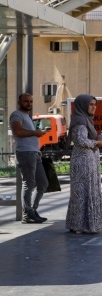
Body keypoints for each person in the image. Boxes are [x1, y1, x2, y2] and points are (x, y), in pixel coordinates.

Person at [65, 94, 102, 234]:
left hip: (88, 159)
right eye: (91, 104)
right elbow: (81, 140)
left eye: (95, 104)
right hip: (83, 161)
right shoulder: (80, 121)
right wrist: (96, 142)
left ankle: (80, 224)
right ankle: (80, 225)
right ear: (83, 105)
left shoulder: (86, 119)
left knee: (85, 191)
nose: (94, 107)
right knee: (83, 192)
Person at [10, 93, 49, 223]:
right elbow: (18, 132)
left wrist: (37, 148)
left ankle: (32, 209)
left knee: (43, 183)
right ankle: (28, 213)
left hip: (34, 153)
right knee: (29, 184)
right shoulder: (17, 114)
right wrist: (35, 133)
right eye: (26, 101)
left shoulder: (27, 116)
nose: (29, 103)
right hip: (25, 153)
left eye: (31, 101)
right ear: (19, 102)